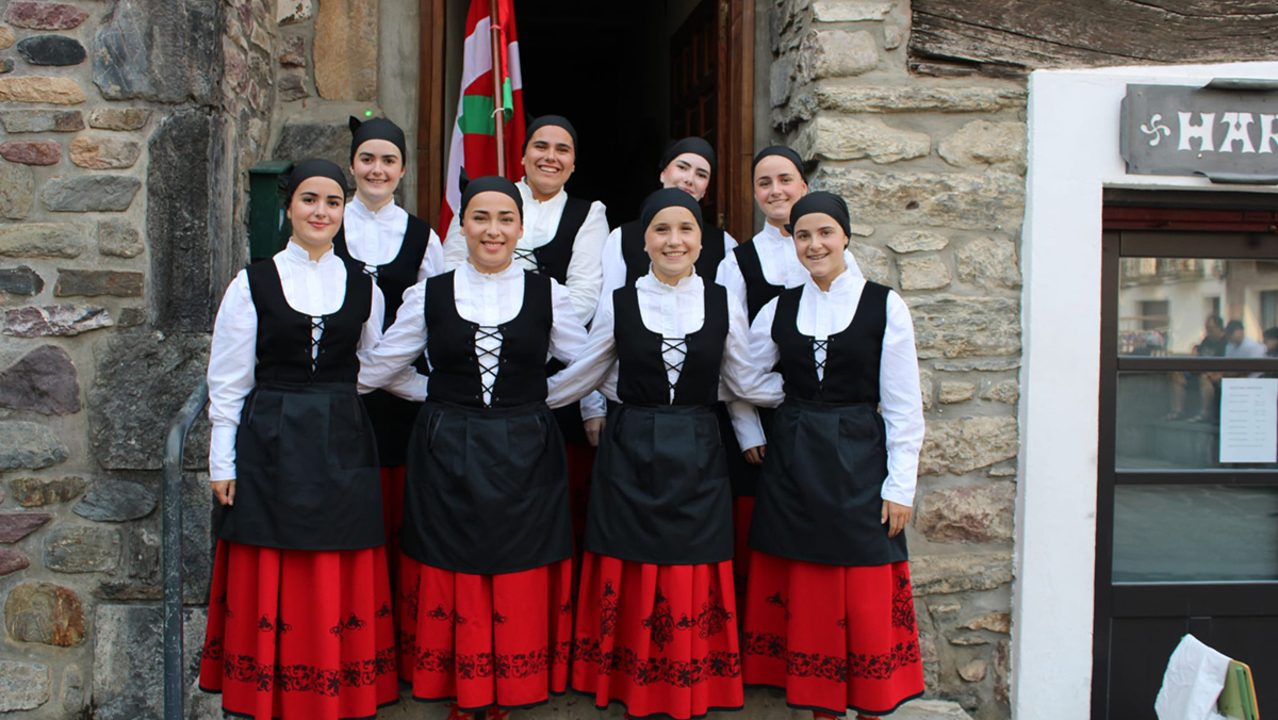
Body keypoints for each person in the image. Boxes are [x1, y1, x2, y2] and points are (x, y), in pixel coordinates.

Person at [359, 175, 589, 714]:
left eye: (505, 219)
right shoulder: (430, 294)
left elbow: (589, 364)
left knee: (520, 559)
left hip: (527, 449)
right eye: (480, 218)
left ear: (521, 228)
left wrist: (542, 399)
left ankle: (513, 683)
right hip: (448, 448)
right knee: (451, 557)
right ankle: (458, 684)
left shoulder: (548, 293)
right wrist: (435, 393)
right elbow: (379, 368)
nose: (493, 230)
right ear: (461, 226)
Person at [545, 189, 774, 719]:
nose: (674, 240)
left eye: (686, 229)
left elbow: (742, 379)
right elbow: (587, 372)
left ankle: (687, 684)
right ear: (643, 241)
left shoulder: (722, 300)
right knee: (629, 557)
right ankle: (629, 681)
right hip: (630, 447)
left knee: (691, 561)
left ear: (701, 240)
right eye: (661, 230)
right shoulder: (621, 300)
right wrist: (520, 400)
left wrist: (810, 392)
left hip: (698, 447)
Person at [199, 159, 405, 720]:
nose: (321, 212)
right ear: (289, 207)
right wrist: (222, 461)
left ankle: (334, 691)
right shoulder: (252, 282)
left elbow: (373, 365)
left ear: (344, 211)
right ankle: (272, 695)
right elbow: (229, 379)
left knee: (337, 560)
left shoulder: (364, 286)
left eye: (333, 202)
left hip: (342, 437)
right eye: (310, 200)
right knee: (273, 561)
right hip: (271, 436)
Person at [741, 192, 926, 719]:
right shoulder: (779, 307)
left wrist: (900, 487)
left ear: (845, 236)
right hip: (796, 463)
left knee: (864, 587)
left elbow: (903, 404)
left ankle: (868, 706)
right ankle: (819, 707)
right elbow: (742, 378)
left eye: (825, 232)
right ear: (793, 242)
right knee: (809, 585)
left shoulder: (884, 304)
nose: (815, 244)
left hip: (860, 461)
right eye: (803, 235)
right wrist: (788, 399)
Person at [442, 115, 609, 558]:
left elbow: (585, 295)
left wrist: (526, 323)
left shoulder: (589, 213)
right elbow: (450, 272)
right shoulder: (484, 201)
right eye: (541, 146)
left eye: (562, 149)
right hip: (474, 362)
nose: (550, 157)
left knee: (538, 499)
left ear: (574, 163)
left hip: (550, 365)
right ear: (522, 155)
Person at [714, 145, 863, 596]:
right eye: (764, 183)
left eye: (785, 180)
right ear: (754, 192)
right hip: (759, 422)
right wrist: (747, 429)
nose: (775, 190)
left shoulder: (835, 254)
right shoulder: (737, 261)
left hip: (825, 420)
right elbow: (730, 355)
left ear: (803, 185)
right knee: (765, 528)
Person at [335, 115, 444, 589]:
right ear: (352, 165)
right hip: (341, 398)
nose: (377, 169)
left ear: (402, 170)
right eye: (367, 159)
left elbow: (433, 322)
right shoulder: (326, 224)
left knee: (401, 513)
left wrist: (406, 381)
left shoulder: (423, 236)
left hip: (405, 401)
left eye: (388, 160)